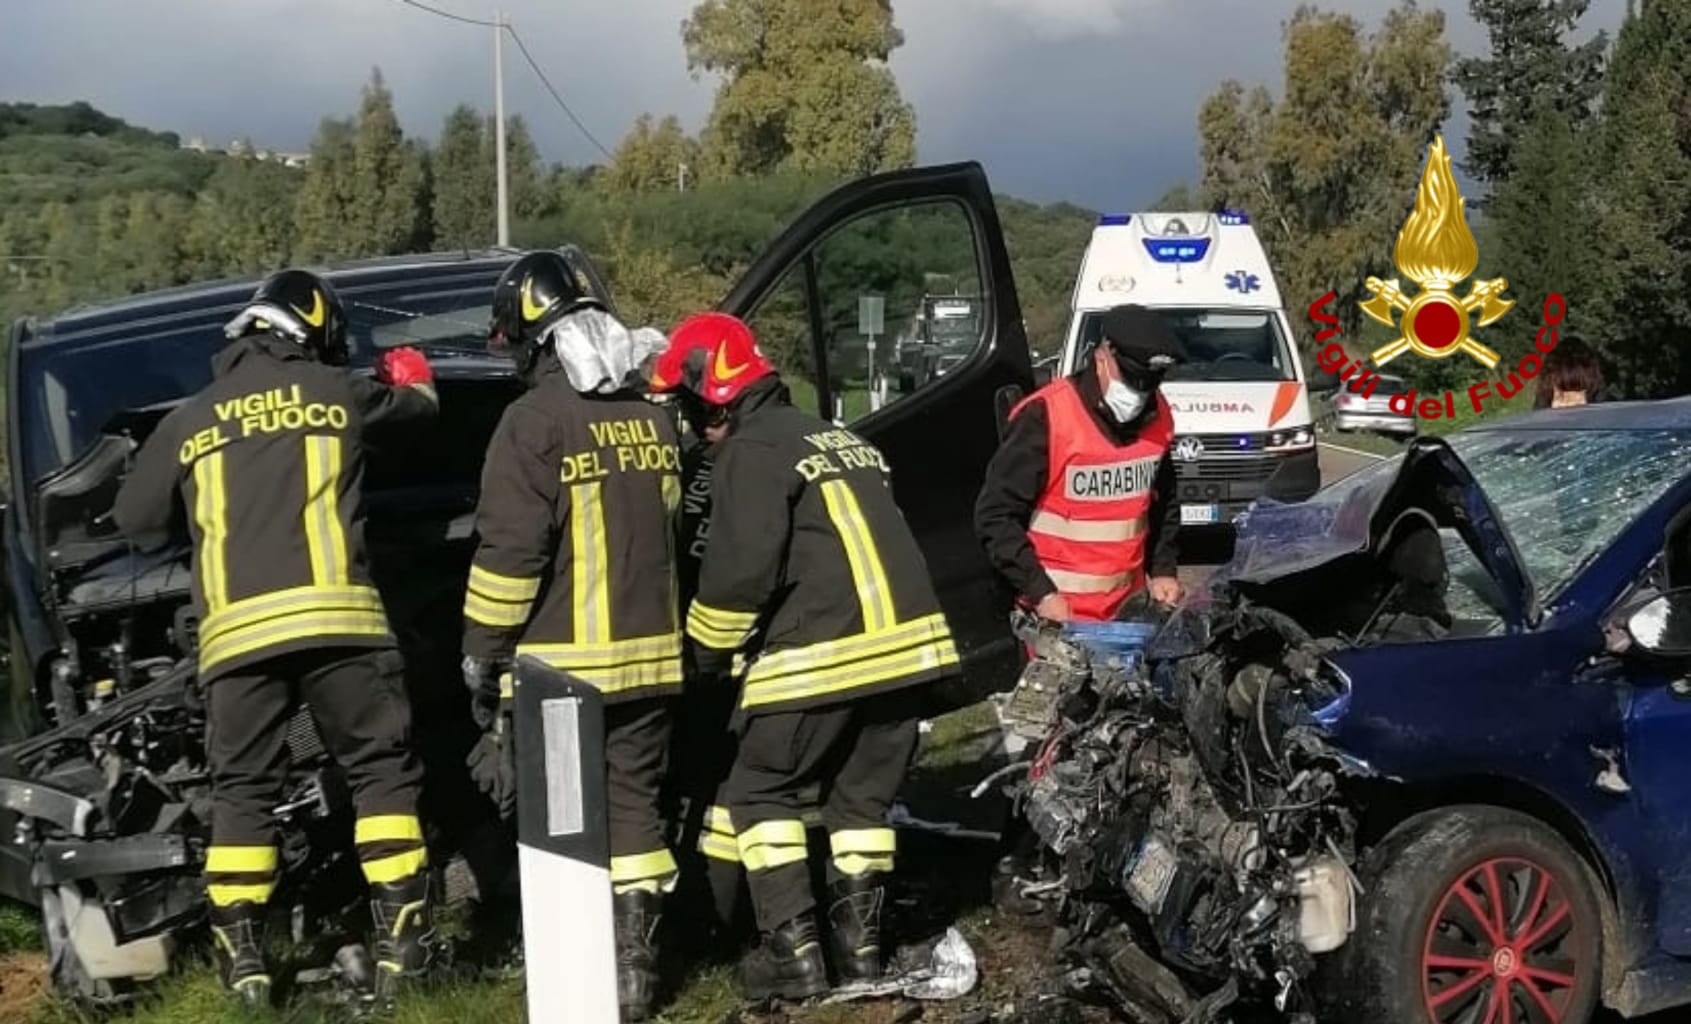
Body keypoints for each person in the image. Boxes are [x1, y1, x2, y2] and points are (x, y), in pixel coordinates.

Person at [113, 269, 440, 1006]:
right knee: (379, 773)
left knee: (242, 793)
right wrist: (412, 372)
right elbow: (419, 414)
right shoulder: (337, 391)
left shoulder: (190, 420)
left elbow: (134, 522)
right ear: (315, 331)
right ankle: (405, 946)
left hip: (238, 643)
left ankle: (245, 969)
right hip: (342, 627)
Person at [678, 314, 959, 1001]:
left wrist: (703, 658)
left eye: (689, 409)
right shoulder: (840, 438)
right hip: (909, 656)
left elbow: (739, 578)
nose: (692, 429)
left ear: (712, 398)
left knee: (759, 790)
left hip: (824, 656)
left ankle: (793, 956)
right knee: (859, 804)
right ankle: (860, 958)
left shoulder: (747, 453)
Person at [458, 250, 681, 1022]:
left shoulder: (532, 422)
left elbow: (510, 556)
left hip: (564, 675)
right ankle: (637, 974)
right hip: (652, 662)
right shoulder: (652, 416)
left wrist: (481, 650)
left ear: (529, 337)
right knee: (636, 811)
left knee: (563, 826)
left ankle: (575, 982)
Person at [974, 303, 1188, 624]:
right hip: (1054, 618)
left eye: (1149, 383)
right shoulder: (1046, 416)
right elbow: (995, 515)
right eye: (1131, 380)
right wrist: (1041, 592)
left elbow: (1164, 500)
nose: (1140, 393)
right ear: (1102, 357)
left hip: (1125, 616)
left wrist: (1162, 570)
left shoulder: (1158, 416)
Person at [644, 314, 749, 949]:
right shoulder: (698, 461)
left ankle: (711, 921)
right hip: (699, 648)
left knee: (716, 788)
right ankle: (707, 916)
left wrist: (704, 654)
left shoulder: (742, 465)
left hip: (715, 652)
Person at [1535, 335, 1605, 409]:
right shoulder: (1540, 411)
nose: (1568, 405)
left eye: (1577, 397)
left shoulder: (1607, 410)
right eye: (1561, 397)